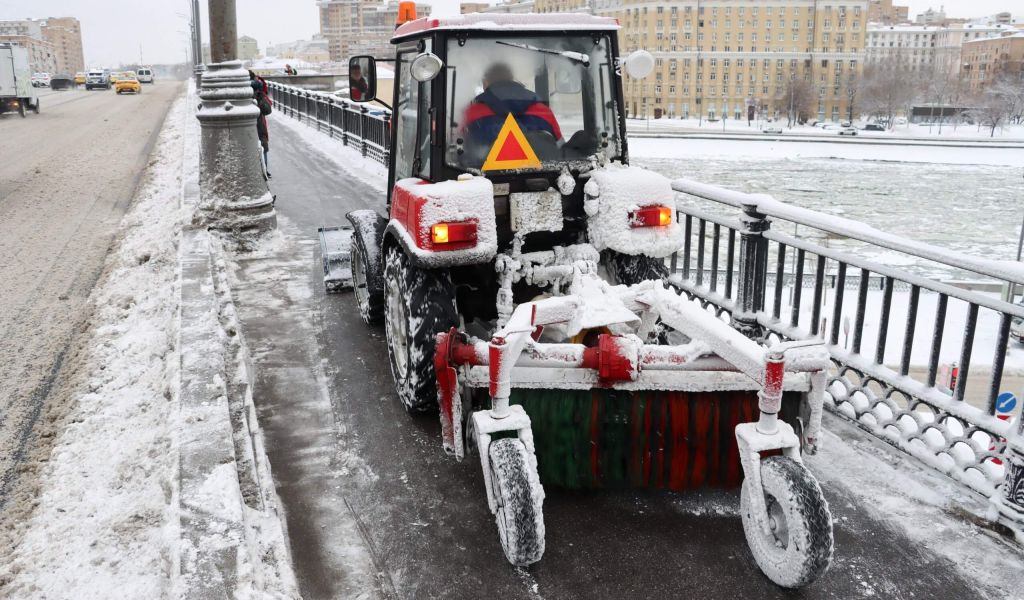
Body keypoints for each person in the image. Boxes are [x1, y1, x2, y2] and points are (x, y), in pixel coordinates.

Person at [462, 62, 562, 151]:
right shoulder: (543, 112)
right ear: (511, 78)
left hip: (482, 171)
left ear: (486, 82)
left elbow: (459, 151)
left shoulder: (472, 113)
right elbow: (560, 150)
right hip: (542, 172)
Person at [249, 70, 271, 178]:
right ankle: (264, 171)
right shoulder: (259, 89)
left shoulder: (247, 90)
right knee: (263, 145)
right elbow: (268, 109)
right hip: (260, 121)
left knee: (252, 145)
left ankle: (259, 172)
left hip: (253, 122)